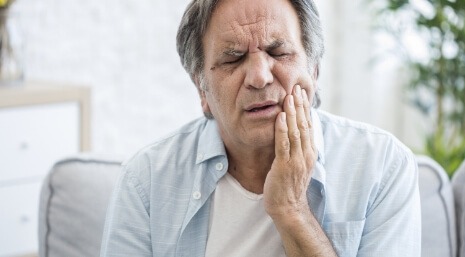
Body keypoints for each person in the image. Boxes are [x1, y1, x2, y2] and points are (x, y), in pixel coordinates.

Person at [100, 0, 421, 256]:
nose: (259, 76)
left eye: (278, 52)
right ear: (202, 90)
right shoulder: (146, 180)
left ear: (313, 70)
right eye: (233, 59)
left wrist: (292, 209)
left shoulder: (383, 167)